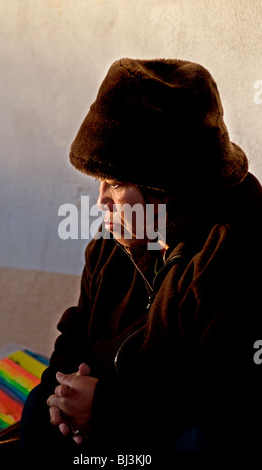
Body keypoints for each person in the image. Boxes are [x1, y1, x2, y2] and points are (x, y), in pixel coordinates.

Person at [20, 58, 262, 457]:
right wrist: (64, 394)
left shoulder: (234, 249)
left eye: (115, 183)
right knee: (38, 409)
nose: (100, 201)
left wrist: (106, 409)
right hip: (119, 432)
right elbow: (78, 330)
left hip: (167, 436)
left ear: (163, 188)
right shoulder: (113, 244)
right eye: (99, 182)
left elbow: (228, 390)